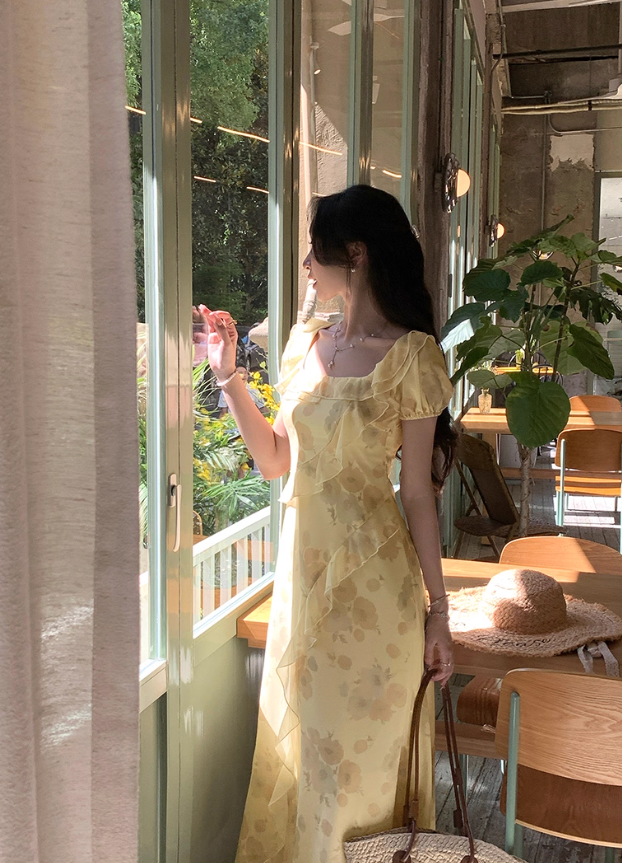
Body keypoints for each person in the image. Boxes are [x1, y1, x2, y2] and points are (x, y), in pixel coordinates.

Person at [203, 184, 456, 863]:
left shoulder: (413, 356)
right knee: (310, 766)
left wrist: (439, 613)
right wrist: (228, 376)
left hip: (377, 595)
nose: (306, 268)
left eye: (314, 252)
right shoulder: (307, 345)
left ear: (357, 253)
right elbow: (274, 459)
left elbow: (417, 495)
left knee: (361, 777)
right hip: (305, 588)